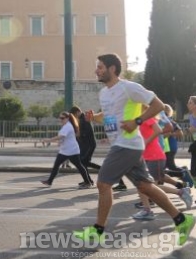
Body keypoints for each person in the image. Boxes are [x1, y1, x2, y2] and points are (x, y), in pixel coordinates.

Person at [73, 53, 194, 246]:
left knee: (103, 184)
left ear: (112, 69)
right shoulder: (104, 93)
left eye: (101, 67)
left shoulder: (129, 87)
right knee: (146, 187)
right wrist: (94, 117)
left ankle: (97, 231)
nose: (97, 70)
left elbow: (158, 105)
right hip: (124, 146)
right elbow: (108, 116)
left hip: (126, 144)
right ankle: (181, 220)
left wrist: (137, 121)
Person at [131, 113, 192, 220]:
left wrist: (147, 140)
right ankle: (147, 209)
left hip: (155, 156)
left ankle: (181, 192)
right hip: (146, 156)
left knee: (147, 186)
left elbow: (163, 129)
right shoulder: (137, 117)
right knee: (143, 185)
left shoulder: (148, 117)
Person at [40, 111, 93, 188]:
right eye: (60, 118)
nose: (61, 119)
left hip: (71, 150)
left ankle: (87, 182)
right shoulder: (66, 126)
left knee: (79, 166)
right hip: (66, 150)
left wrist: (48, 140)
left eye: (62, 118)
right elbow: (63, 138)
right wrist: (60, 142)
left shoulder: (68, 126)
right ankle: (49, 181)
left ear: (68, 118)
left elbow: (61, 136)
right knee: (58, 165)